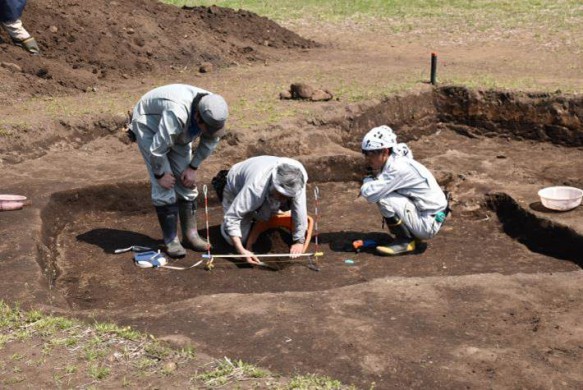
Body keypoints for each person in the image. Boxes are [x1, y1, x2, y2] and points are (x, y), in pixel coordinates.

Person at [130, 84, 228, 258]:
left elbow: (210, 141)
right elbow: (158, 149)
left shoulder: (214, 109)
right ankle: (171, 240)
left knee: (187, 184)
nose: (210, 132)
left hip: (182, 132)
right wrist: (160, 174)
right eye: (207, 128)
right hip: (149, 124)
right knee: (165, 186)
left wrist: (192, 167)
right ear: (198, 117)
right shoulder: (177, 113)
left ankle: (191, 235)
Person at [359, 125, 449, 255]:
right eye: (365, 153)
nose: (367, 158)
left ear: (385, 152)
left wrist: (368, 179)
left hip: (427, 223)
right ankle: (410, 236)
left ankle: (404, 241)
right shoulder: (397, 157)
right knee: (385, 189)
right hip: (429, 214)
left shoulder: (397, 168)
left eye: (371, 153)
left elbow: (370, 195)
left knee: (383, 197)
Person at [218, 156, 309, 265]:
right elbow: (233, 217)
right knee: (236, 239)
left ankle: (257, 214)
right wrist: (241, 251)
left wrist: (299, 240)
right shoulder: (255, 187)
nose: (283, 199)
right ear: (273, 183)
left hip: (263, 188)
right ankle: (227, 226)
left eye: (286, 196)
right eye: (281, 195)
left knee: (269, 213)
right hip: (235, 187)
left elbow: (299, 208)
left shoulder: (298, 178)